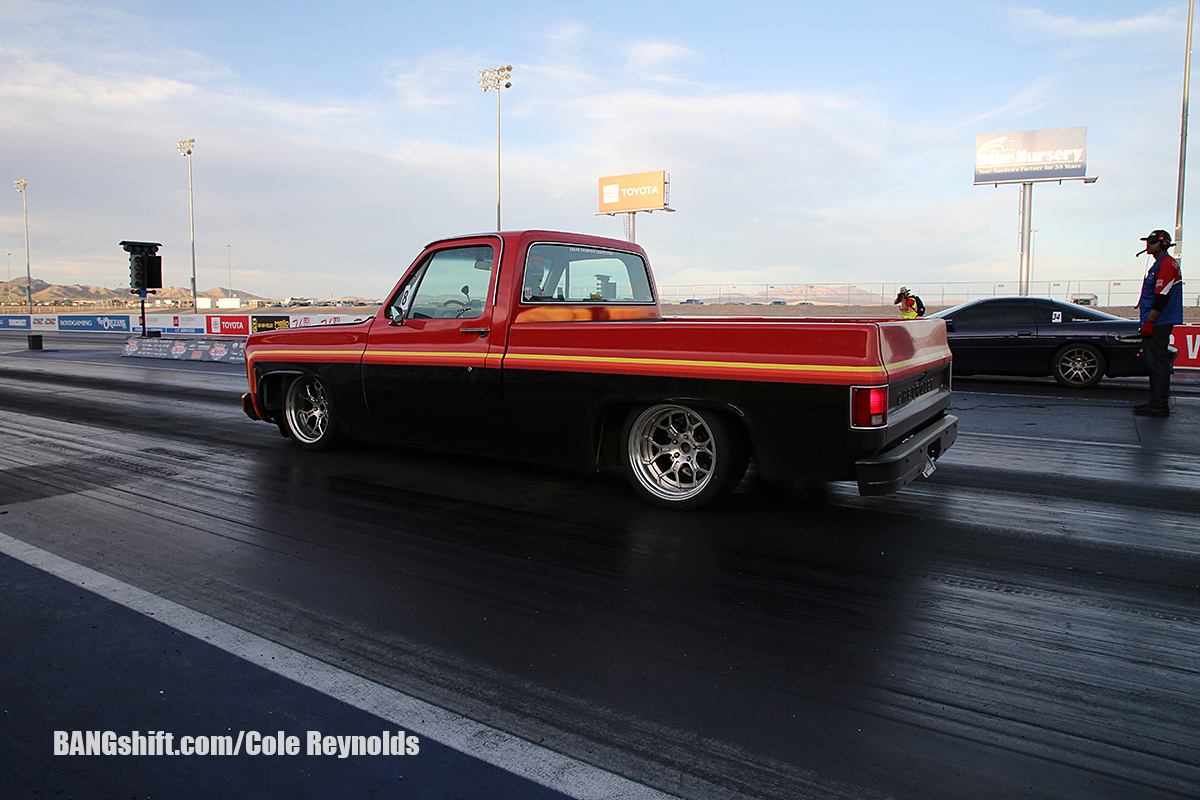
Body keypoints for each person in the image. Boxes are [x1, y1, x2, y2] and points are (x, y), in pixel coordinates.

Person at [1134, 229, 1183, 417]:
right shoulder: (1160, 264)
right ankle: (1156, 402)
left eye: (1152, 242)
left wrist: (1150, 321)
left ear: (1163, 244)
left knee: (1158, 364)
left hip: (1159, 322)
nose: (1148, 245)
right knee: (1153, 363)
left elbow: (1162, 297)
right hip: (1156, 321)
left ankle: (1159, 406)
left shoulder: (1167, 265)